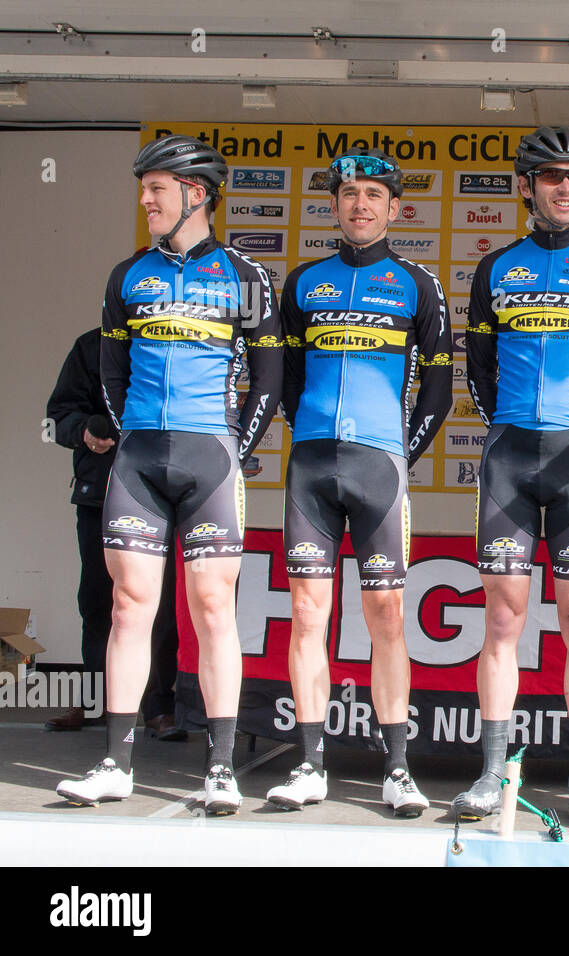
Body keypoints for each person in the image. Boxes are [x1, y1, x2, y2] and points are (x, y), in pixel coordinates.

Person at [55, 134, 282, 814]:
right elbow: (112, 370)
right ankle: (115, 762)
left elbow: (269, 377)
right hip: (140, 460)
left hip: (210, 457)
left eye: (157, 188)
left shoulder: (244, 278)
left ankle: (219, 769)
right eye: (144, 187)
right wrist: (130, 436)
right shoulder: (128, 276)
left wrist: (234, 449)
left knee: (212, 609)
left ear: (197, 194)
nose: (146, 199)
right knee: (128, 608)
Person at [456, 126, 569, 825]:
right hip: (510, 456)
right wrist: (505, 425)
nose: (566, 187)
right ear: (526, 186)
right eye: (551, 176)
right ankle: (489, 776)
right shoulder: (495, 268)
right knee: (502, 618)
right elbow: (476, 369)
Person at [269, 148, 452, 817]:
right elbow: (282, 379)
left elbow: (438, 388)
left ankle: (397, 769)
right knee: (307, 618)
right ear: (334, 205)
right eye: (349, 194)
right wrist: (307, 427)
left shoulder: (417, 285)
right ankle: (311, 764)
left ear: (394, 208)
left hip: (380, 468)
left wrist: (401, 453)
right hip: (312, 467)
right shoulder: (302, 284)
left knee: (384, 619)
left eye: (373, 195)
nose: (361, 205)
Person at [45, 330, 186, 739]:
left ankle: (160, 707)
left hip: (163, 494)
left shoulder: (181, 342)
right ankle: (96, 701)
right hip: (100, 493)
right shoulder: (91, 345)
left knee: (157, 603)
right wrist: (85, 432)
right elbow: (56, 419)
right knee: (95, 600)